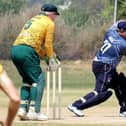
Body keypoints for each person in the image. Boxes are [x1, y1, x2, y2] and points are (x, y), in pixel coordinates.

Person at [10, 3, 60, 121]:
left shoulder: (33, 19)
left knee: (27, 81)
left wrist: (46, 57)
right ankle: (34, 111)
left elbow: (36, 45)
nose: (55, 18)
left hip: (15, 50)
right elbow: (48, 44)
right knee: (39, 79)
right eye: (55, 15)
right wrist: (51, 58)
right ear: (51, 14)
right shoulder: (49, 23)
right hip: (28, 50)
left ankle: (23, 110)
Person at [68, 20, 126, 117]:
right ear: (123, 31)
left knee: (121, 83)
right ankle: (76, 105)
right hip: (105, 67)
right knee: (101, 93)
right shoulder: (122, 44)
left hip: (99, 64)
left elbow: (117, 23)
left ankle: (124, 110)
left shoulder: (110, 33)